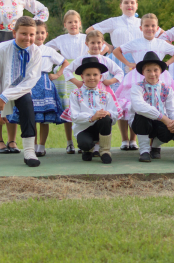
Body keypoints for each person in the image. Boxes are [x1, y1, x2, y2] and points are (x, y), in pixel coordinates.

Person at [86, 0, 164, 151]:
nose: (129, 5)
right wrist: (108, 47)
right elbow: (90, 30)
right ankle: (124, 139)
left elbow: (163, 34)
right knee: (121, 100)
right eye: (126, 2)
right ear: (120, 5)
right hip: (118, 60)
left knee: (136, 99)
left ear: (137, 5)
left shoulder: (142, 22)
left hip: (138, 63)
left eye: (132, 2)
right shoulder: (114, 21)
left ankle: (134, 139)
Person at [0, 0, 49, 154]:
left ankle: (12, 141)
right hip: (2, 43)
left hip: (19, 39)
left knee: (16, 86)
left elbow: (43, 11)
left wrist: (30, 27)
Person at [46, 10, 105, 154]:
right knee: (69, 108)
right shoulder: (61, 39)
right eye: (70, 22)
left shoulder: (86, 38)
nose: (73, 24)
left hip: (83, 72)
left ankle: (88, 140)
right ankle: (69, 142)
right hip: (66, 75)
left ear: (80, 23)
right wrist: (57, 66)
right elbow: (46, 49)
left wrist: (94, 58)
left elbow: (104, 47)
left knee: (86, 106)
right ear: (65, 24)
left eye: (75, 21)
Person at [7, 20, 69, 157]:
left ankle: (41, 145)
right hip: (29, 83)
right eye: (37, 33)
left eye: (42, 33)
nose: (39, 36)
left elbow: (65, 62)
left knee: (44, 118)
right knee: (32, 116)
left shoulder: (49, 51)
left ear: (46, 34)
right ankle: (33, 146)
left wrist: (57, 74)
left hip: (44, 82)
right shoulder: (26, 49)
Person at [113, 13, 174, 127]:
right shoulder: (135, 42)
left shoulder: (161, 43)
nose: (150, 28)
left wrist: (166, 63)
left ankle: (157, 132)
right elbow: (116, 51)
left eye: (153, 26)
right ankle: (128, 137)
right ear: (141, 28)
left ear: (157, 28)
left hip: (158, 76)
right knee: (130, 104)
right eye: (146, 26)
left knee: (159, 102)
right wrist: (128, 63)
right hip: (137, 76)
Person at [62, 30, 124, 156]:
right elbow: (67, 70)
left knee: (103, 117)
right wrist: (77, 82)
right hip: (84, 91)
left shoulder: (105, 60)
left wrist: (109, 81)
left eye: (99, 43)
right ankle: (85, 142)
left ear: (103, 44)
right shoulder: (81, 59)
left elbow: (120, 72)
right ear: (87, 44)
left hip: (102, 91)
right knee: (86, 111)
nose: (96, 45)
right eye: (92, 43)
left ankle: (99, 147)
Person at [0, 17, 42, 166]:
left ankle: (29, 152)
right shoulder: (2, 49)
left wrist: (5, 96)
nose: (28, 38)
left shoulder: (36, 52)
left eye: (31, 34)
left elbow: (30, 80)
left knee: (27, 104)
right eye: (23, 34)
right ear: (14, 33)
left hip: (21, 90)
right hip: (1, 88)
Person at [130, 51, 174, 162]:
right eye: (148, 70)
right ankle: (144, 150)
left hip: (160, 123)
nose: (152, 74)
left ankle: (155, 146)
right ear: (143, 72)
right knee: (142, 115)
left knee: (172, 128)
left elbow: (172, 108)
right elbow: (139, 106)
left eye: (155, 70)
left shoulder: (166, 89)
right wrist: (163, 118)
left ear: (161, 71)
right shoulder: (137, 87)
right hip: (141, 123)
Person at [68, 57, 120, 164]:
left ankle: (105, 151)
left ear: (100, 77)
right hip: (83, 128)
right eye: (88, 75)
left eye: (95, 75)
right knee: (85, 144)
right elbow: (74, 116)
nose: (92, 78)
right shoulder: (75, 94)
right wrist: (92, 117)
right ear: (82, 76)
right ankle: (88, 149)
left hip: (100, 128)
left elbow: (115, 115)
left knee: (106, 118)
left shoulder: (106, 94)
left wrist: (108, 113)